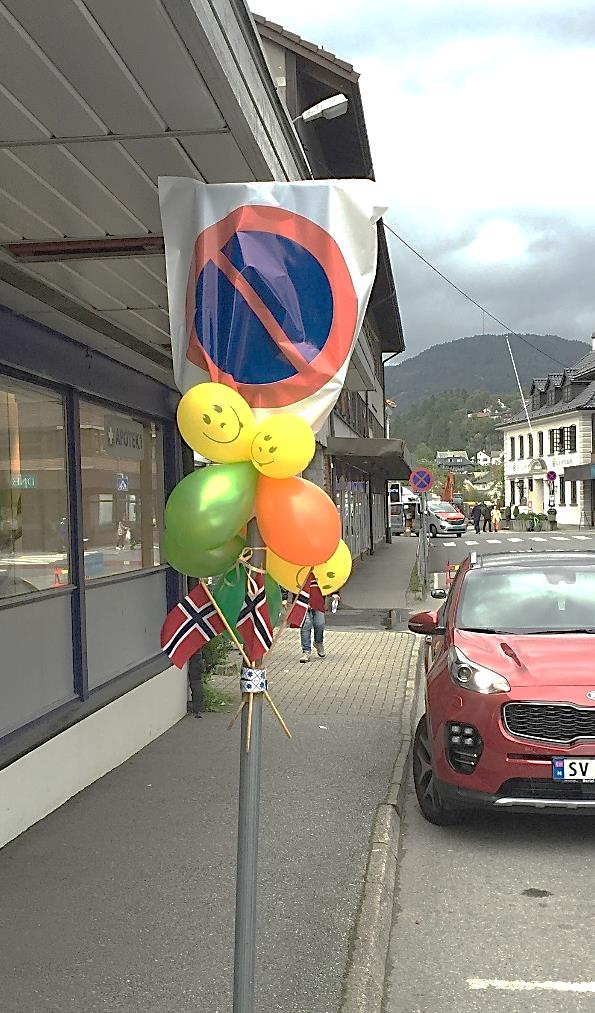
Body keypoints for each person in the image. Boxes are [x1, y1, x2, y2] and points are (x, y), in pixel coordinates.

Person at [299, 573, 326, 663]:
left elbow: (331, 579)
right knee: (306, 624)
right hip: (302, 598)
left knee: (320, 623)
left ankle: (318, 643)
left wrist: (335, 593)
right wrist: (284, 597)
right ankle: (306, 651)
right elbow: (289, 579)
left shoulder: (322, 566)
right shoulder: (298, 564)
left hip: (318, 598)